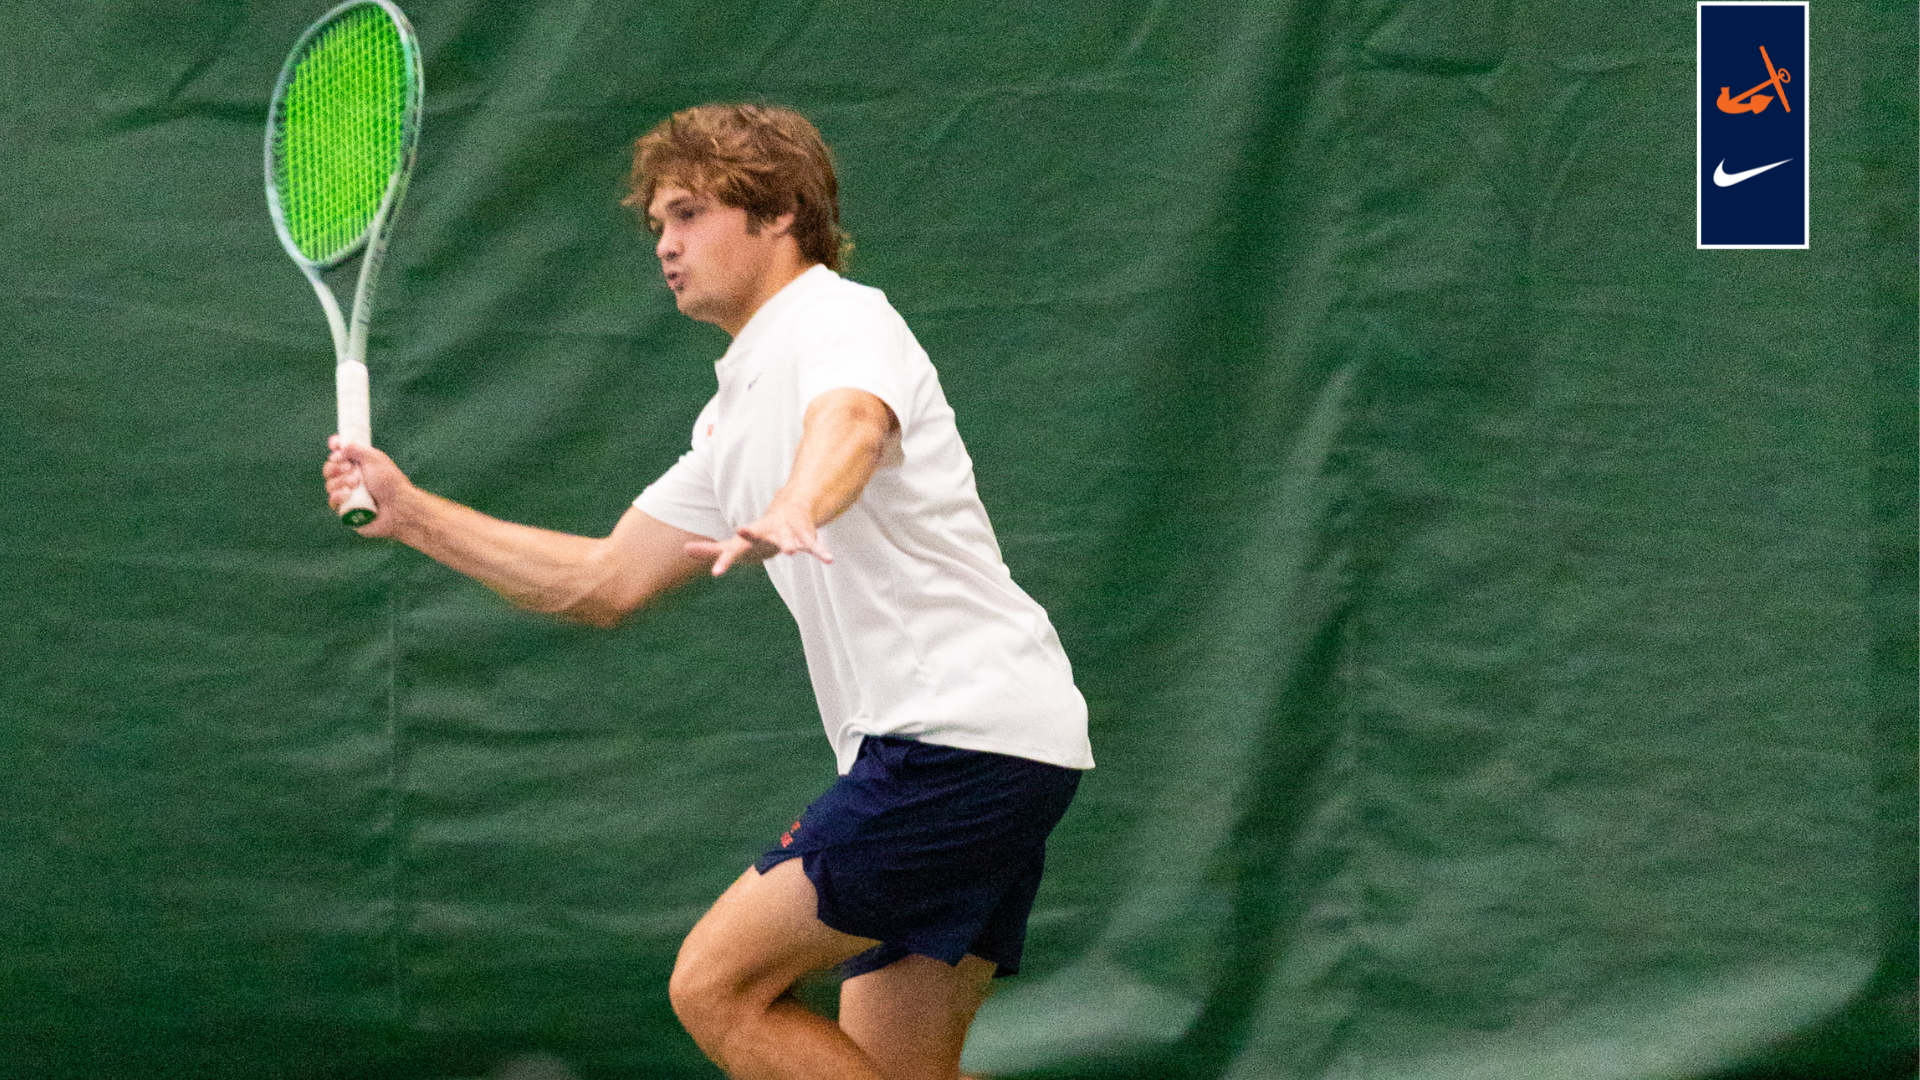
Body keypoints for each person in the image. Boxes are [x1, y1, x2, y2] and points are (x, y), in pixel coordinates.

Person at [323, 103, 1093, 1080]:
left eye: (688, 214)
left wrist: (801, 502)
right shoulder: (730, 418)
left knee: (717, 985)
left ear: (777, 214)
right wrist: (413, 514)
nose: (666, 245)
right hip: (995, 746)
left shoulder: (839, 319)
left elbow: (853, 422)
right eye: (655, 226)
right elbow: (603, 580)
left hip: (957, 741)